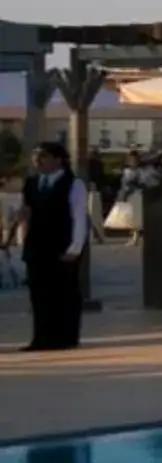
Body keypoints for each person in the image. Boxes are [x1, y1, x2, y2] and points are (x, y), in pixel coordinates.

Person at [17, 142, 89, 351]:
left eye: (43, 157)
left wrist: (75, 247)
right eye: (35, 157)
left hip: (61, 244)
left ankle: (66, 336)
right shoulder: (31, 183)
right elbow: (26, 214)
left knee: (64, 291)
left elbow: (78, 217)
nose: (38, 161)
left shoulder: (73, 184)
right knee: (39, 293)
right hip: (37, 245)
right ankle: (41, 337)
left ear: (58, 160)